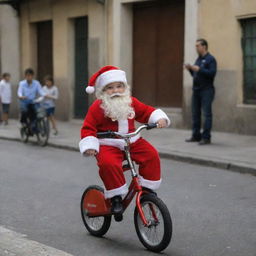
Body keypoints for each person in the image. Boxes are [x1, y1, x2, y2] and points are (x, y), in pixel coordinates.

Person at [79, 65, 170, 221]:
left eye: (119, 86)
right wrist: (90, 145)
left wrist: (158, 118)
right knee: (109, 164)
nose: (116, 90)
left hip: (132, 140)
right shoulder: (97, 107)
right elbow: (88, 127)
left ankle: (148, 189)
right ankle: (115, 198)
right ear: (102, 91)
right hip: (109, 143)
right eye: (110, 87)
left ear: (125, 87)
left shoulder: (130, 102)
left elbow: (145, 111)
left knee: (151, 155)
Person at [184, 39, 217, 145]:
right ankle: (196, 135)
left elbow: (212, 73)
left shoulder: (210, 59)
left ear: (204, 46)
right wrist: (190, 69)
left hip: (207, 90)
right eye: (196, 46)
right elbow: (195, 75)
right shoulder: (198, 59)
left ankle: (206, 137)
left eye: (198, 46)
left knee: (207, 114)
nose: (196, 48)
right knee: (195, 114)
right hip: (196, 90)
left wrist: (199, 69)